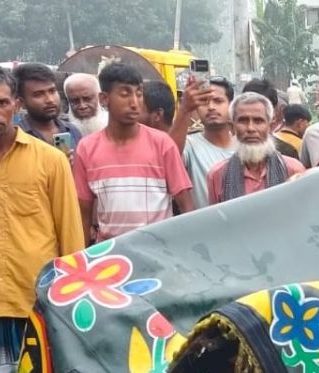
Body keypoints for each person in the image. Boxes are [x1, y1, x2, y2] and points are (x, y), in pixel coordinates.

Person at [0, 64, 84, 373]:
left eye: (1, 103)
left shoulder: (50, 159)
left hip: (44, 299)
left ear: (16, 104)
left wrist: (73, 295)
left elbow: (69, 230)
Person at [72, 63, 194, 241]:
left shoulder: (162, 143)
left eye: (139, 94)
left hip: (159, 252)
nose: (134, 103)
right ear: (104, 99)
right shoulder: (86, 148)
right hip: (113, 257)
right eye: (125, 94)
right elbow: (83, 214)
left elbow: (186, 206)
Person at [206, 93, 305, 205]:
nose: (250, 128)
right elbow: (216, 219)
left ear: (270, 126)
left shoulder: (293, 170)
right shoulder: (217, 175)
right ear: (232, 127)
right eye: (243, 121)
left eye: (258, 121)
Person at [176, 77, 237, 210]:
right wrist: (184, 109)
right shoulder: (189, 146)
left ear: (231, 105)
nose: (211, 107)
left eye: (218, 101)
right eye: (204, 102)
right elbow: (170, 158)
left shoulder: (245, 147)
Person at [15, 62, 82, 151]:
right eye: (38, 95)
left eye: (52, 91)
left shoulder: (73, 131)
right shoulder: (16, 137)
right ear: (21, 102)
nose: (50, 100)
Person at [64, 73, 107, 137]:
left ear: (100, 97)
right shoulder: (63, 131)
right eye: (75, 101)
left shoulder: (117, 126)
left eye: (87, 99)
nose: (82, 106)